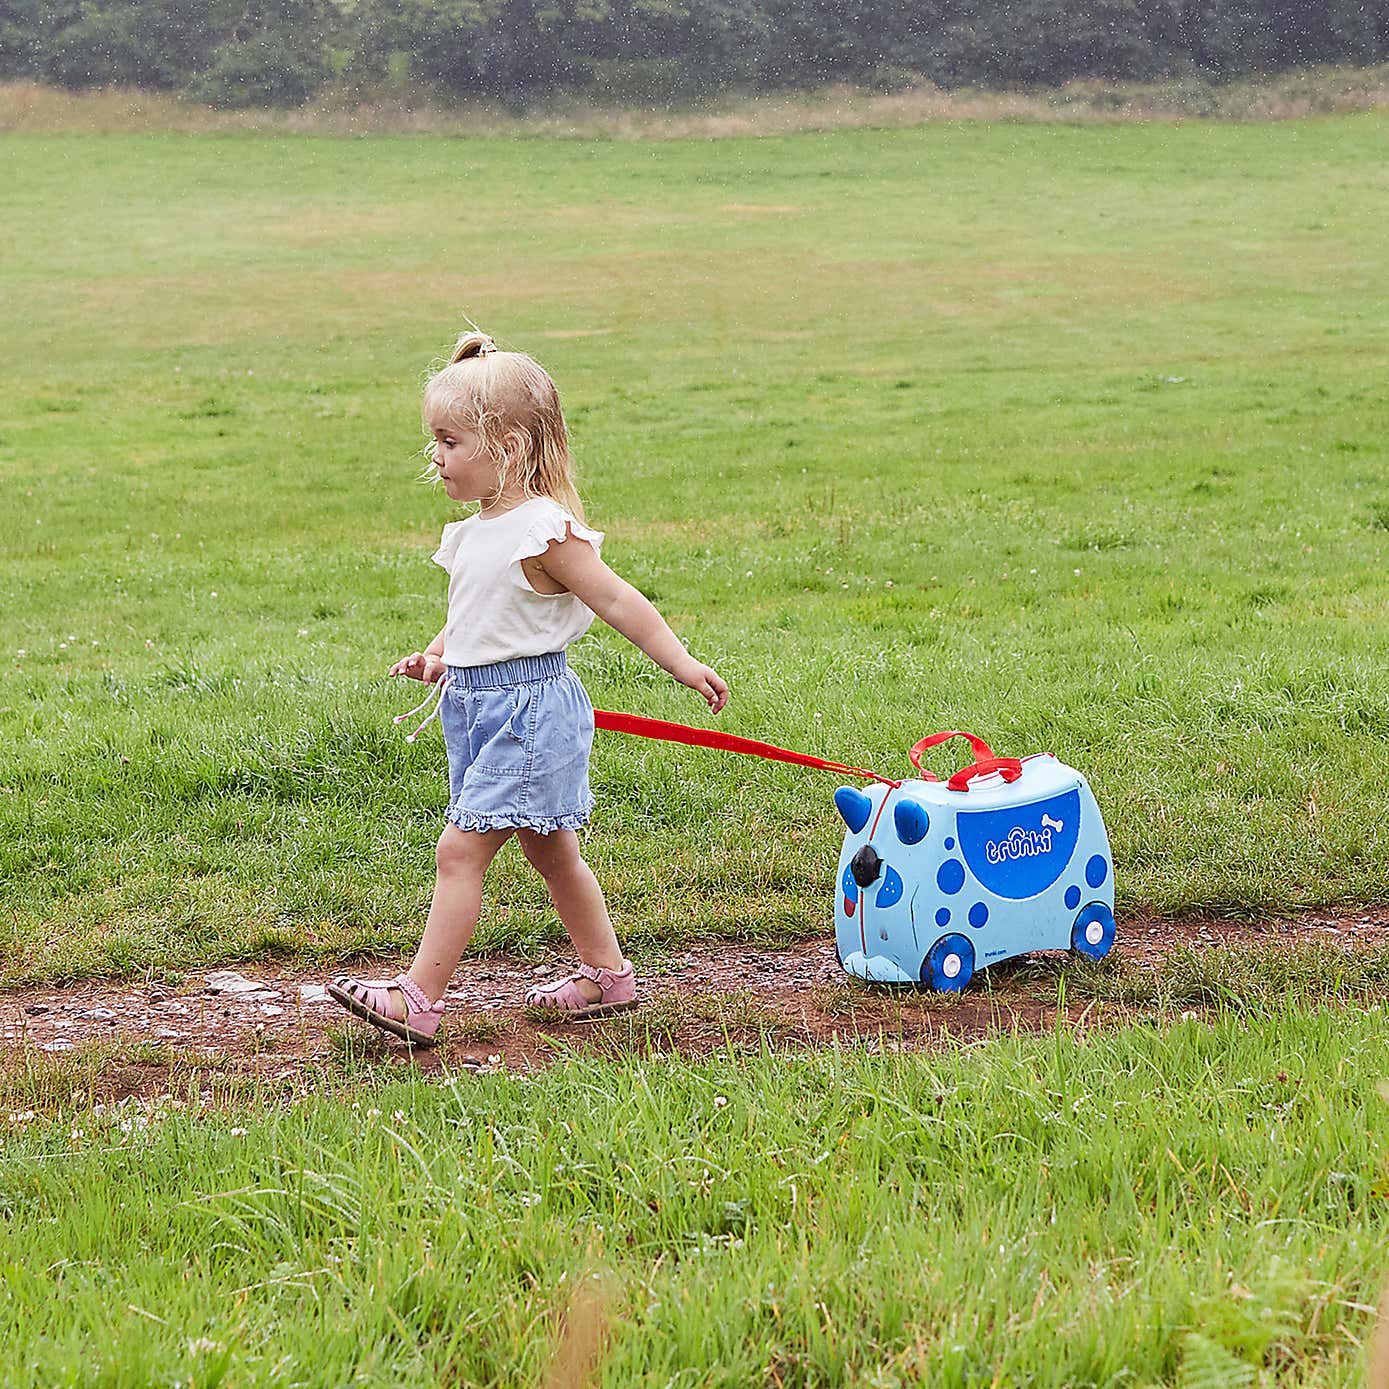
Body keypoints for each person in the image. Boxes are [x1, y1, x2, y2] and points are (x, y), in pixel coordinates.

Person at [326, 330, 728, 1046]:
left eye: (449, 441)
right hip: (478, 709)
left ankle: (419, 997)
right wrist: (437, 658)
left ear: (507, 447)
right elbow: (477, 618)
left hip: (530, 713)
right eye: (434, 441)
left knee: (459, 851)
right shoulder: (474, 531)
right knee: (551, 851)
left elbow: (617, 601)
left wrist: (682, 661)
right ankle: (608, 975)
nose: (436, 456)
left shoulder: (543, 528)